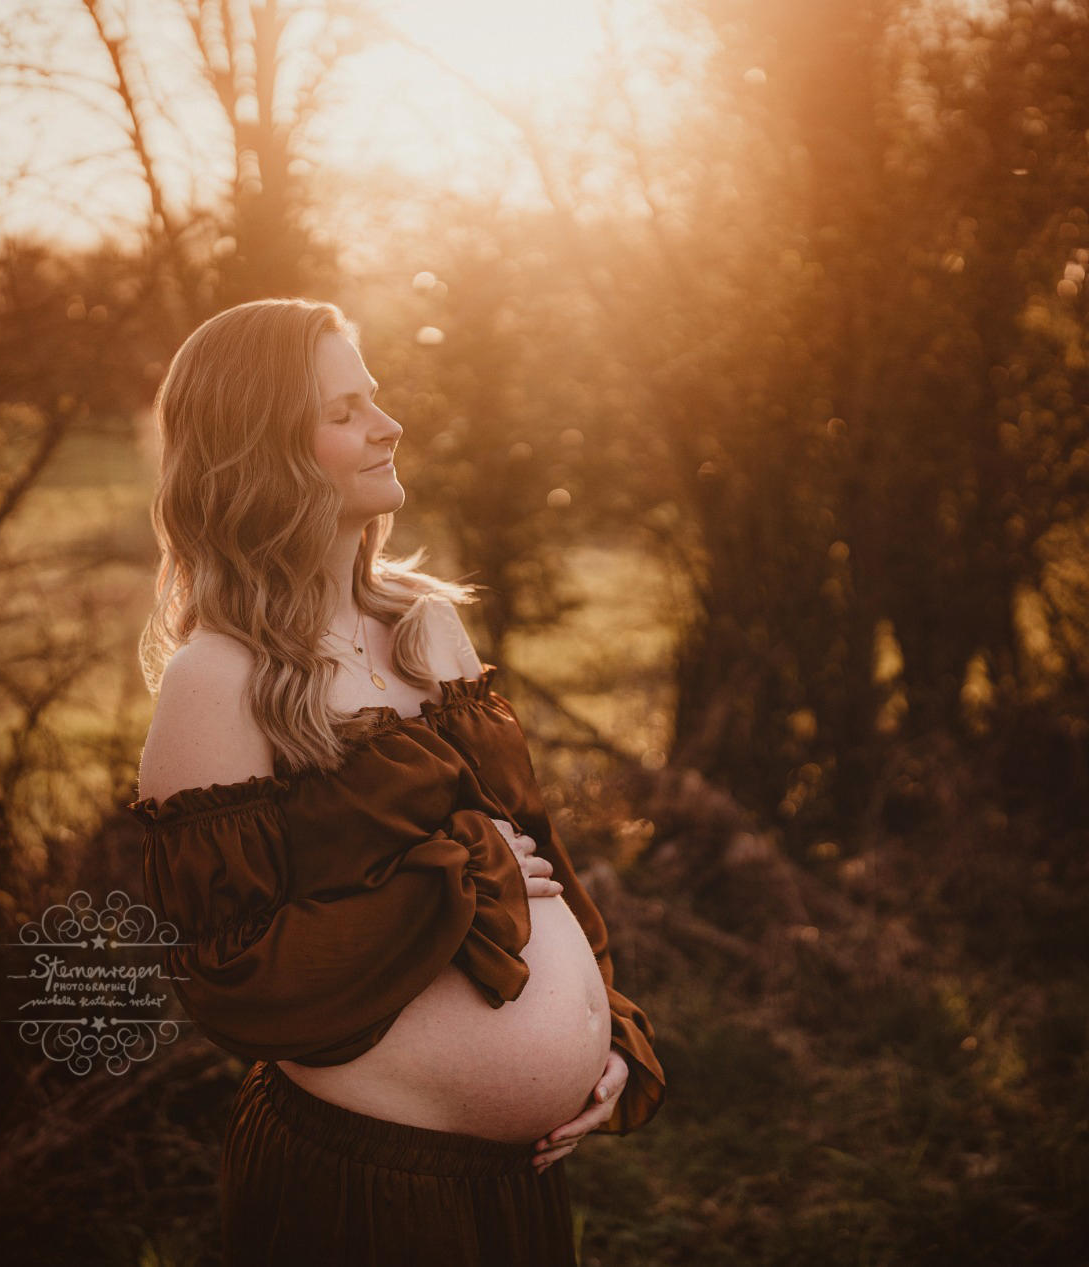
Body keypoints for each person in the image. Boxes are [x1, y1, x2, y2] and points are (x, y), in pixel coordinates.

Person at [127, 298, 666, 1265]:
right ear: (262, 453)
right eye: (345, 411)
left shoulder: (428, 625)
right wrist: (455, 876)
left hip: (520, 1176)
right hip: (367, 1194)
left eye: (375, 397)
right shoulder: (216, 679)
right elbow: (229, 970)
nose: (389, 424)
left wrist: (609, 1033)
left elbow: (540, 854)